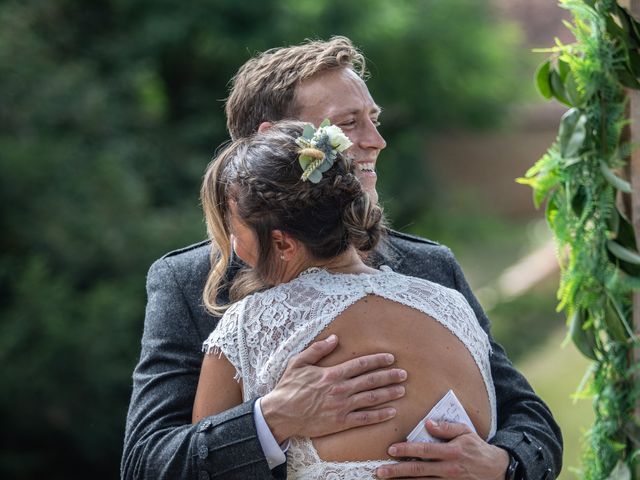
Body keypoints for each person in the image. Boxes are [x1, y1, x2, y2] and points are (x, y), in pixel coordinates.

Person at [122, 37, 562, 479]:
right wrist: (272, 418)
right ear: (277, 141)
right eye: (349, 123)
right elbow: (145, 463)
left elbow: (529, 417)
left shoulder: (431, 267)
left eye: (373, 119)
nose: (377, 141)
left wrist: (503, 463)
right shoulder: (187, 280)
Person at [193, 119, 497, 479]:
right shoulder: (449, 306)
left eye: (233, 231)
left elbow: (200, 466)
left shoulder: (250, 324)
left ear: (282, 244)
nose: (232, 246)